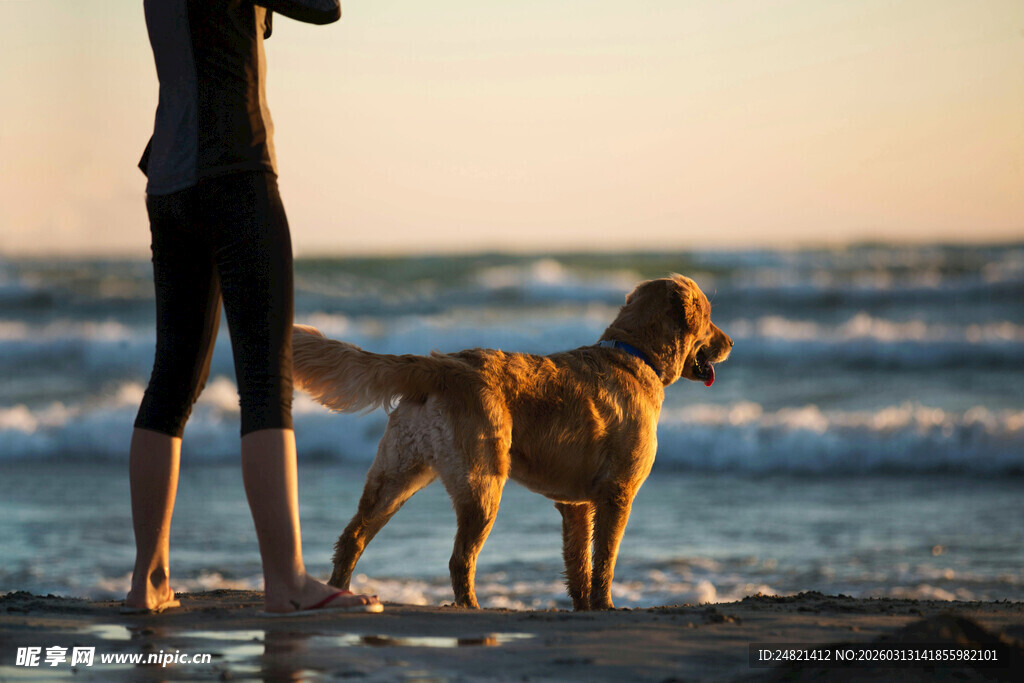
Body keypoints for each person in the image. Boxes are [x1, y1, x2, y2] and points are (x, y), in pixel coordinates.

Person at [124, 0, 381, 615]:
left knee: (172, 381)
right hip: (235, 171)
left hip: (169, 181)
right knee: (265, 383)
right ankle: (287, 583)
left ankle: (148, 582)